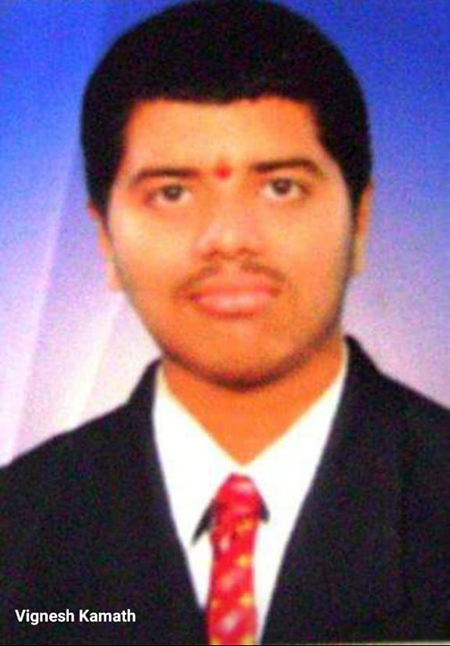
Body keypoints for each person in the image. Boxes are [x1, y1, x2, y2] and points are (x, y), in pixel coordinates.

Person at [1, 0, 449, 644]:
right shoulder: (16, 527)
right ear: (104, 240)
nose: (230, 238)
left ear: (360, 221)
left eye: (281, 187)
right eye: (172, 193)